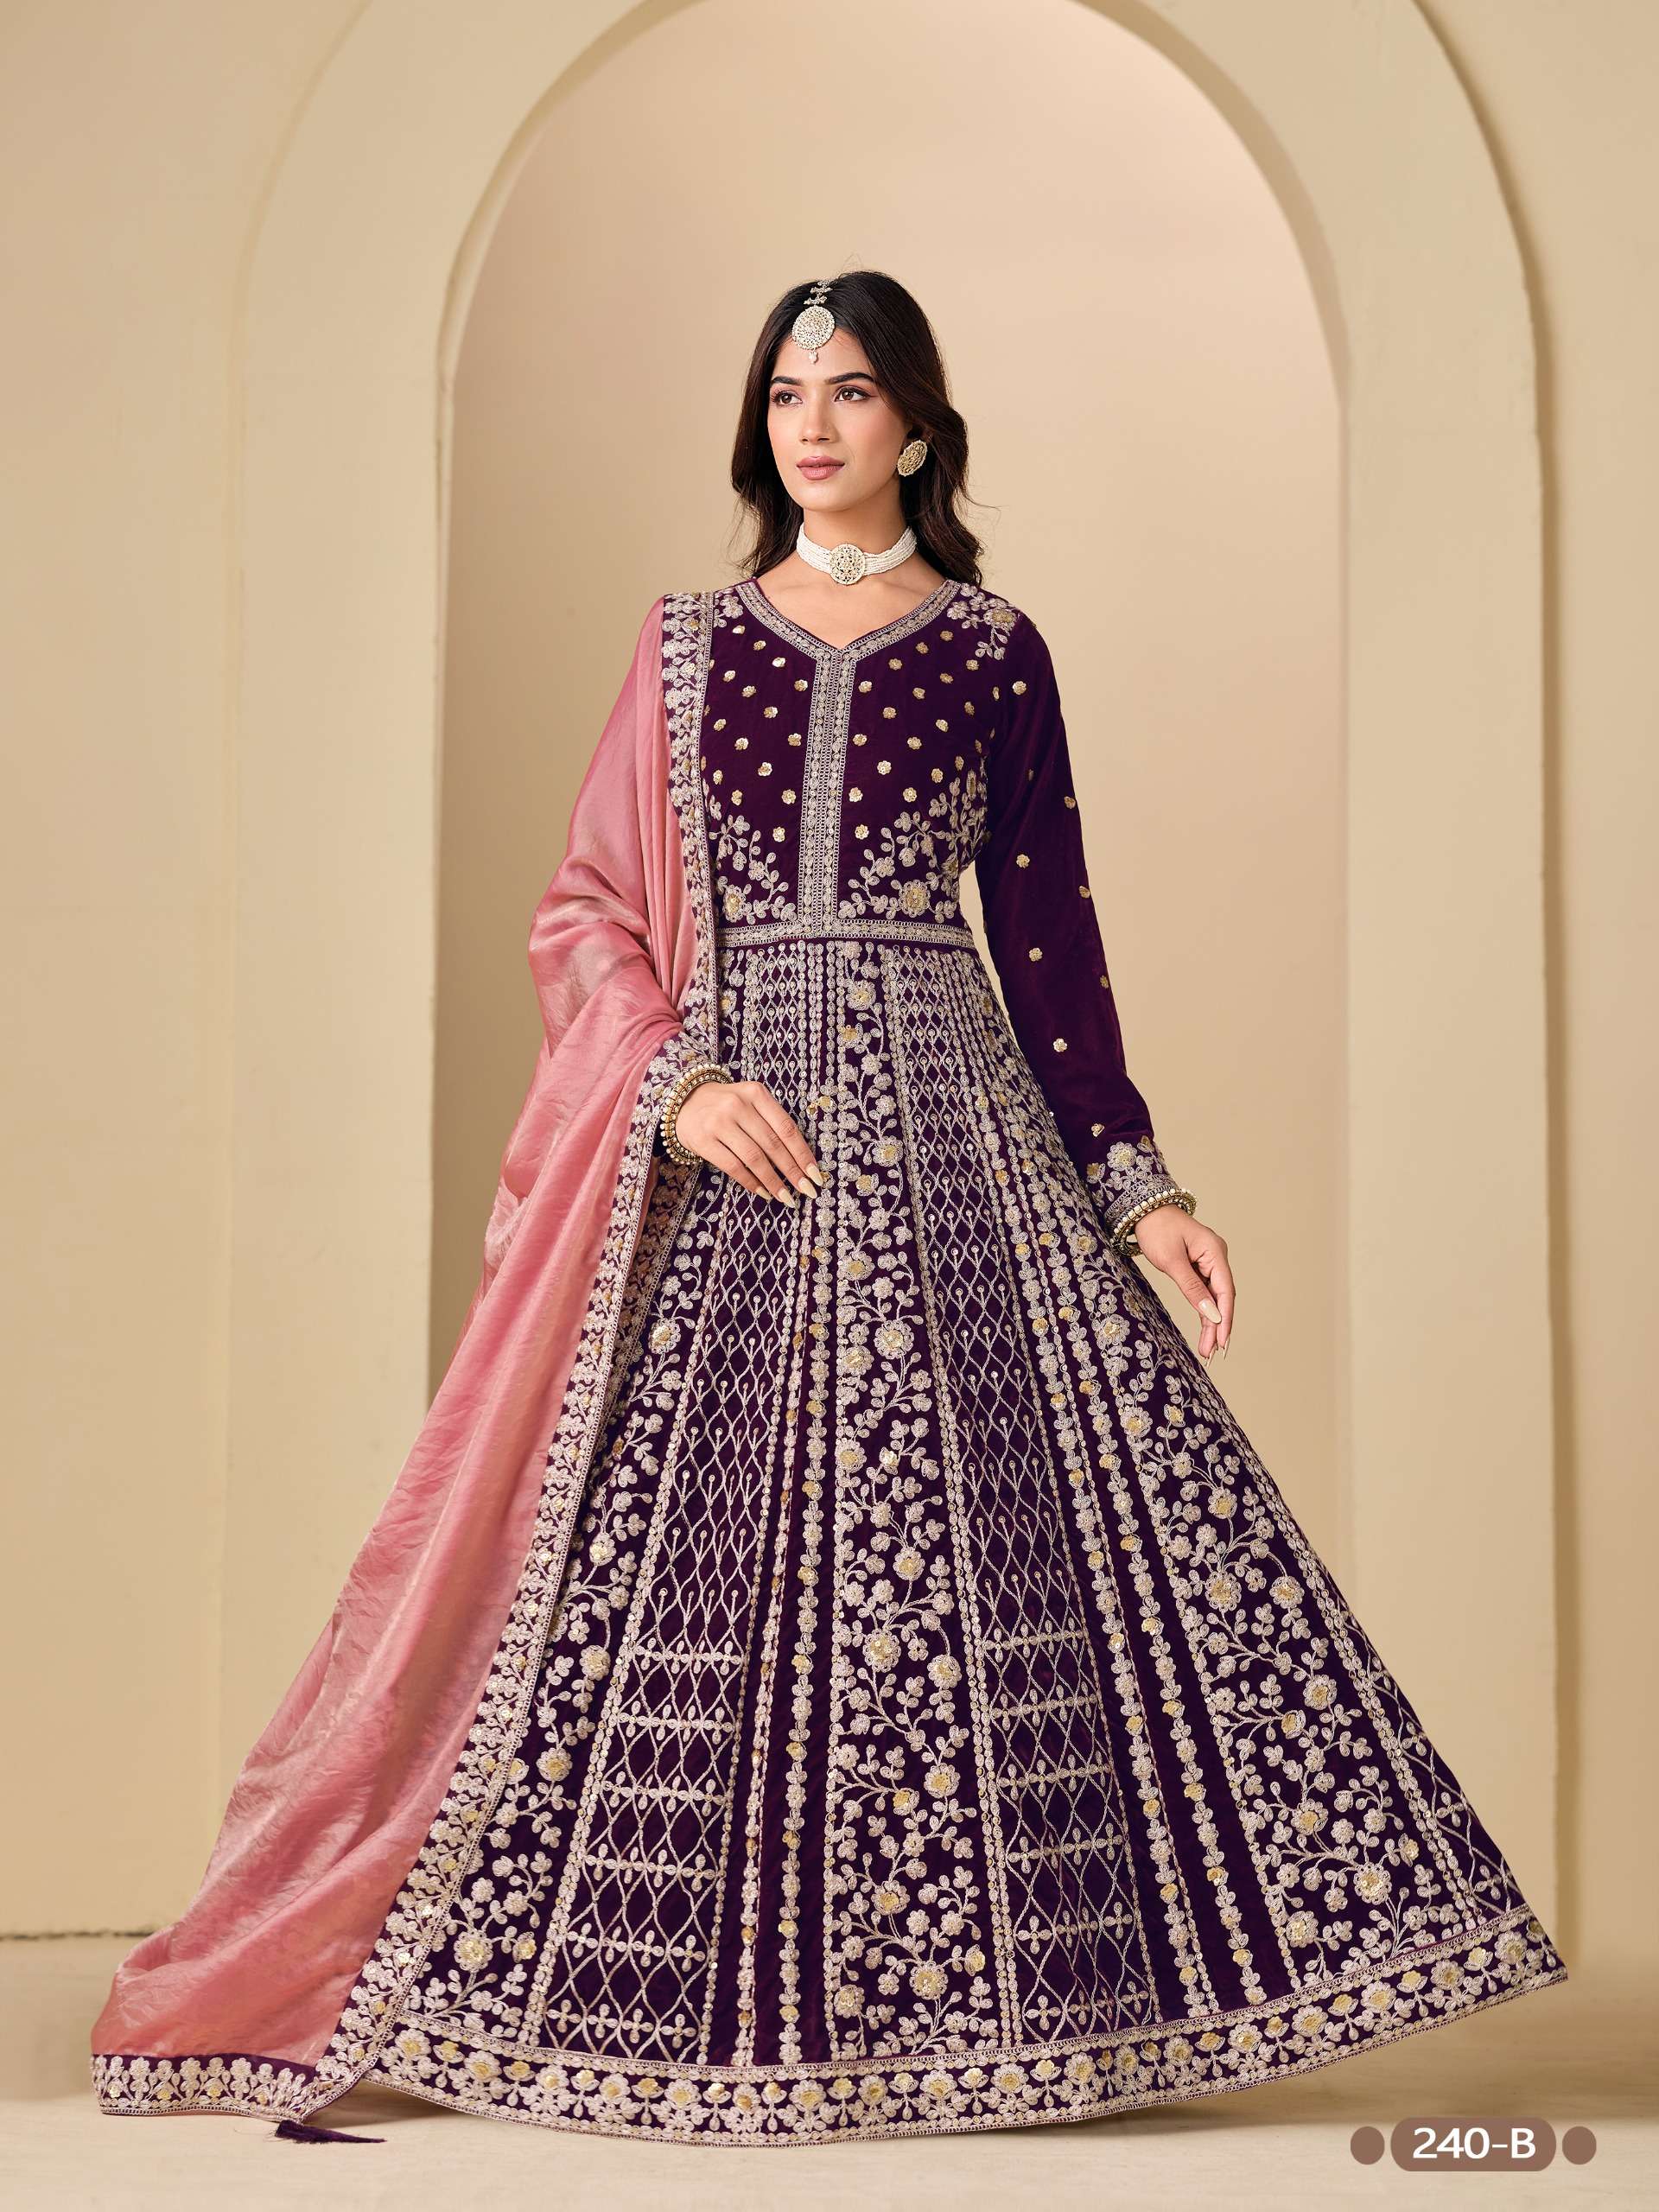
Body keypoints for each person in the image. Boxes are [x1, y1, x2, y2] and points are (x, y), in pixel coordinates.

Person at [91, 271, 1566, 2147]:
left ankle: (1006, 2000)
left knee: (1014, 1547)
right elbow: (587, 907)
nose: (815, 423)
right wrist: (676, 1084)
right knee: (692, 1564)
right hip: (740, 1146)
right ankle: (668, 1989)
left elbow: (1050, 944)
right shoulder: (687, 644)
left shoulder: (997, 649)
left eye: (852, 391)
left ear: (917, 425)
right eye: (788, 393)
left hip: (958, 1136)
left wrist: (1140, 1188)